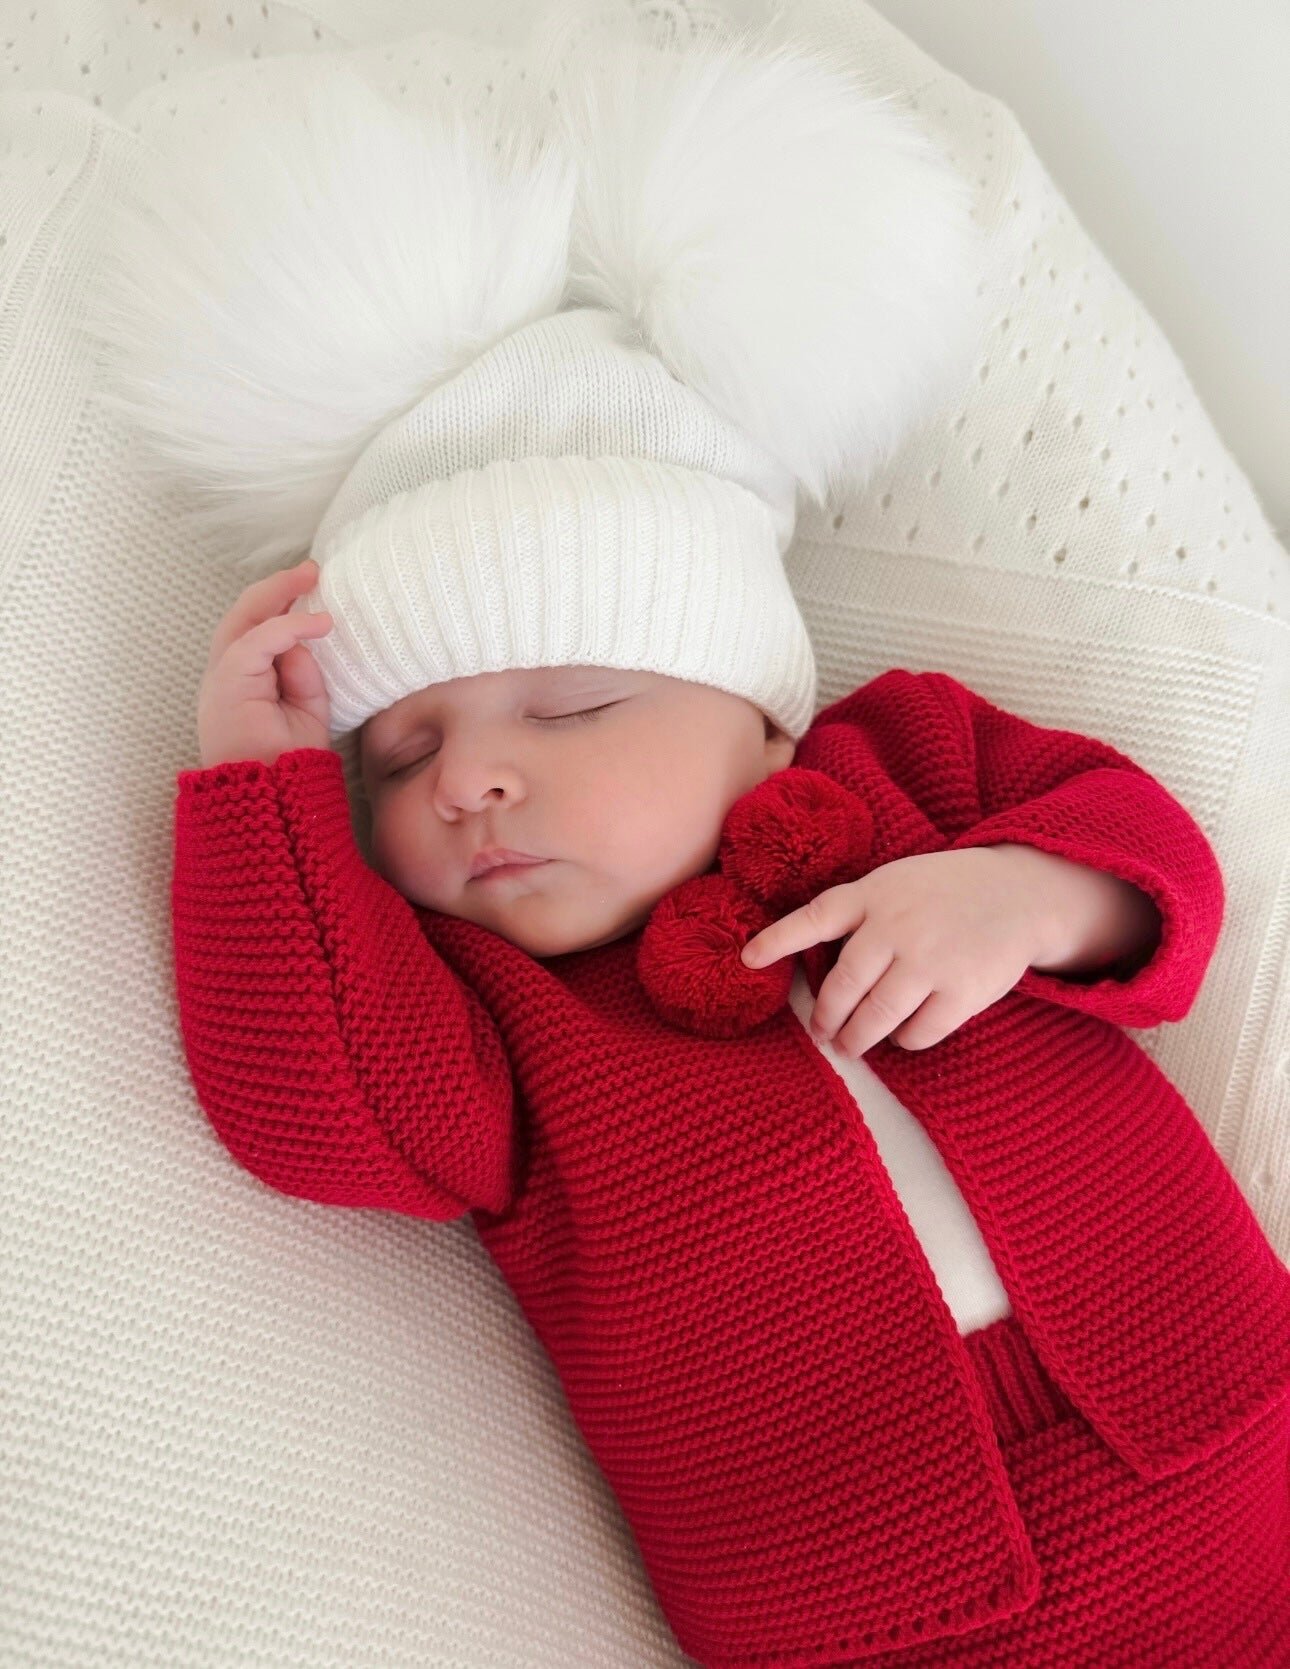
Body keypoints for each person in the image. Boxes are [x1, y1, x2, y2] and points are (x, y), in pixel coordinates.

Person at [87, 17, 1290, 1664]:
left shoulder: (916, 765)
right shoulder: (501, 1027)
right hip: (853, 1600)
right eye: (404, 753)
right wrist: (261, 793)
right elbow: (319, 1108)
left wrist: (1022, 895)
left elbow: (1152, 862)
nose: (469, 783)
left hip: (1224, 1423)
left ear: (764, 715)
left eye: (571, 706)